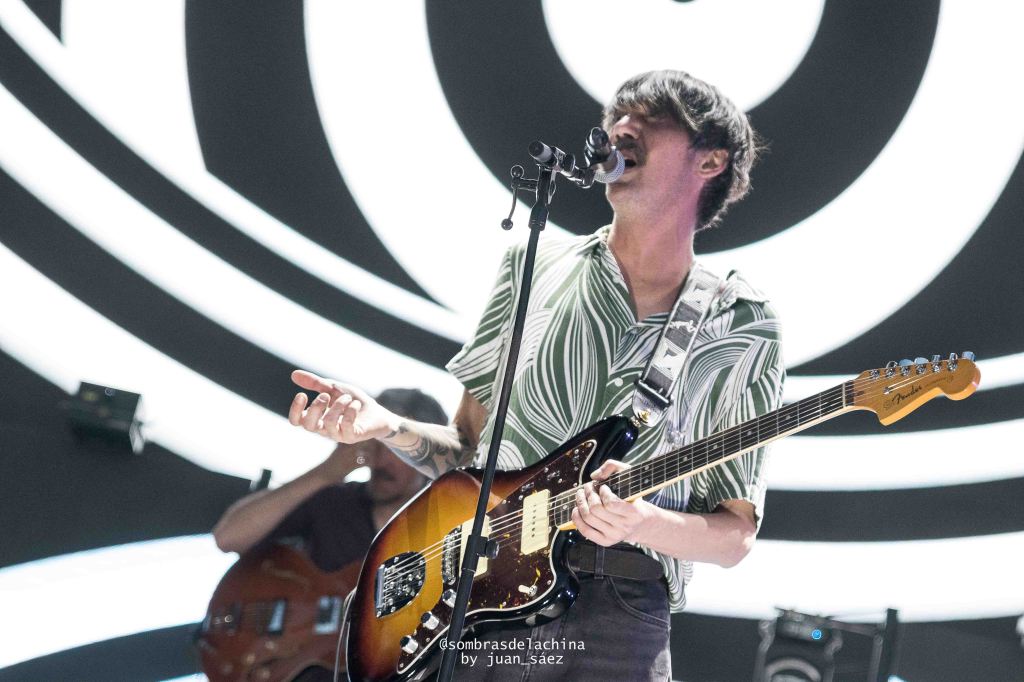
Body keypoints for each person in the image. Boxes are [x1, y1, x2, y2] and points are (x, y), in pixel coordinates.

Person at [288, 70, 785, 681]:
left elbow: (734, 536)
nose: (622, 126)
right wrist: (385, 425)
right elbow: (468, 453)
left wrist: (645, 522)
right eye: (618, 115)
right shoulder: (533, 266)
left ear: (710, 161)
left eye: (653, 118)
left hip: (615, 605)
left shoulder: (742, 321)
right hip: (478, 589)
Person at [212, 388, 448, 681]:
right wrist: (328, 472)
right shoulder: (335, 501)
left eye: (395, 448)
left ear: (426, 458)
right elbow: (228, 537)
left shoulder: (443, 528)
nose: (379, 460)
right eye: (373, 443)